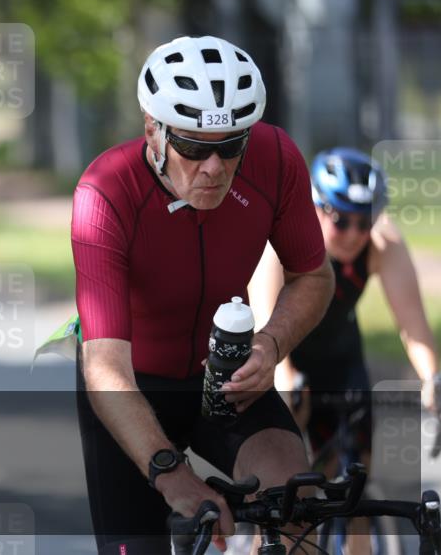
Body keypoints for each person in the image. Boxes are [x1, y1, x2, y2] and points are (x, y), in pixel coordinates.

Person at [72, 35, 334, 554]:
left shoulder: (277, 158)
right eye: (192, 147)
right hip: (132, 388)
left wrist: (272, 344)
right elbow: (105, 368)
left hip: (224, 376)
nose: (213, 167)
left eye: (231, 145)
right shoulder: (104, 191)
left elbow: (314, 275)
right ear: (154, 130)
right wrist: (171, 474)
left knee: (297, 510)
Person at [249, 147, 439, 555]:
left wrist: (432, 380)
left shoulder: (383, 243)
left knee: (353, 497)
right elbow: (267, 331)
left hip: (341, 360)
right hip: (282, 357)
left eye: (364, 220)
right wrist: (284, 375)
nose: (354, 233)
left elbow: (414, 329)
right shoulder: (283, 240)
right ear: (316, 208)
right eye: (341, 219)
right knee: (279, 502)